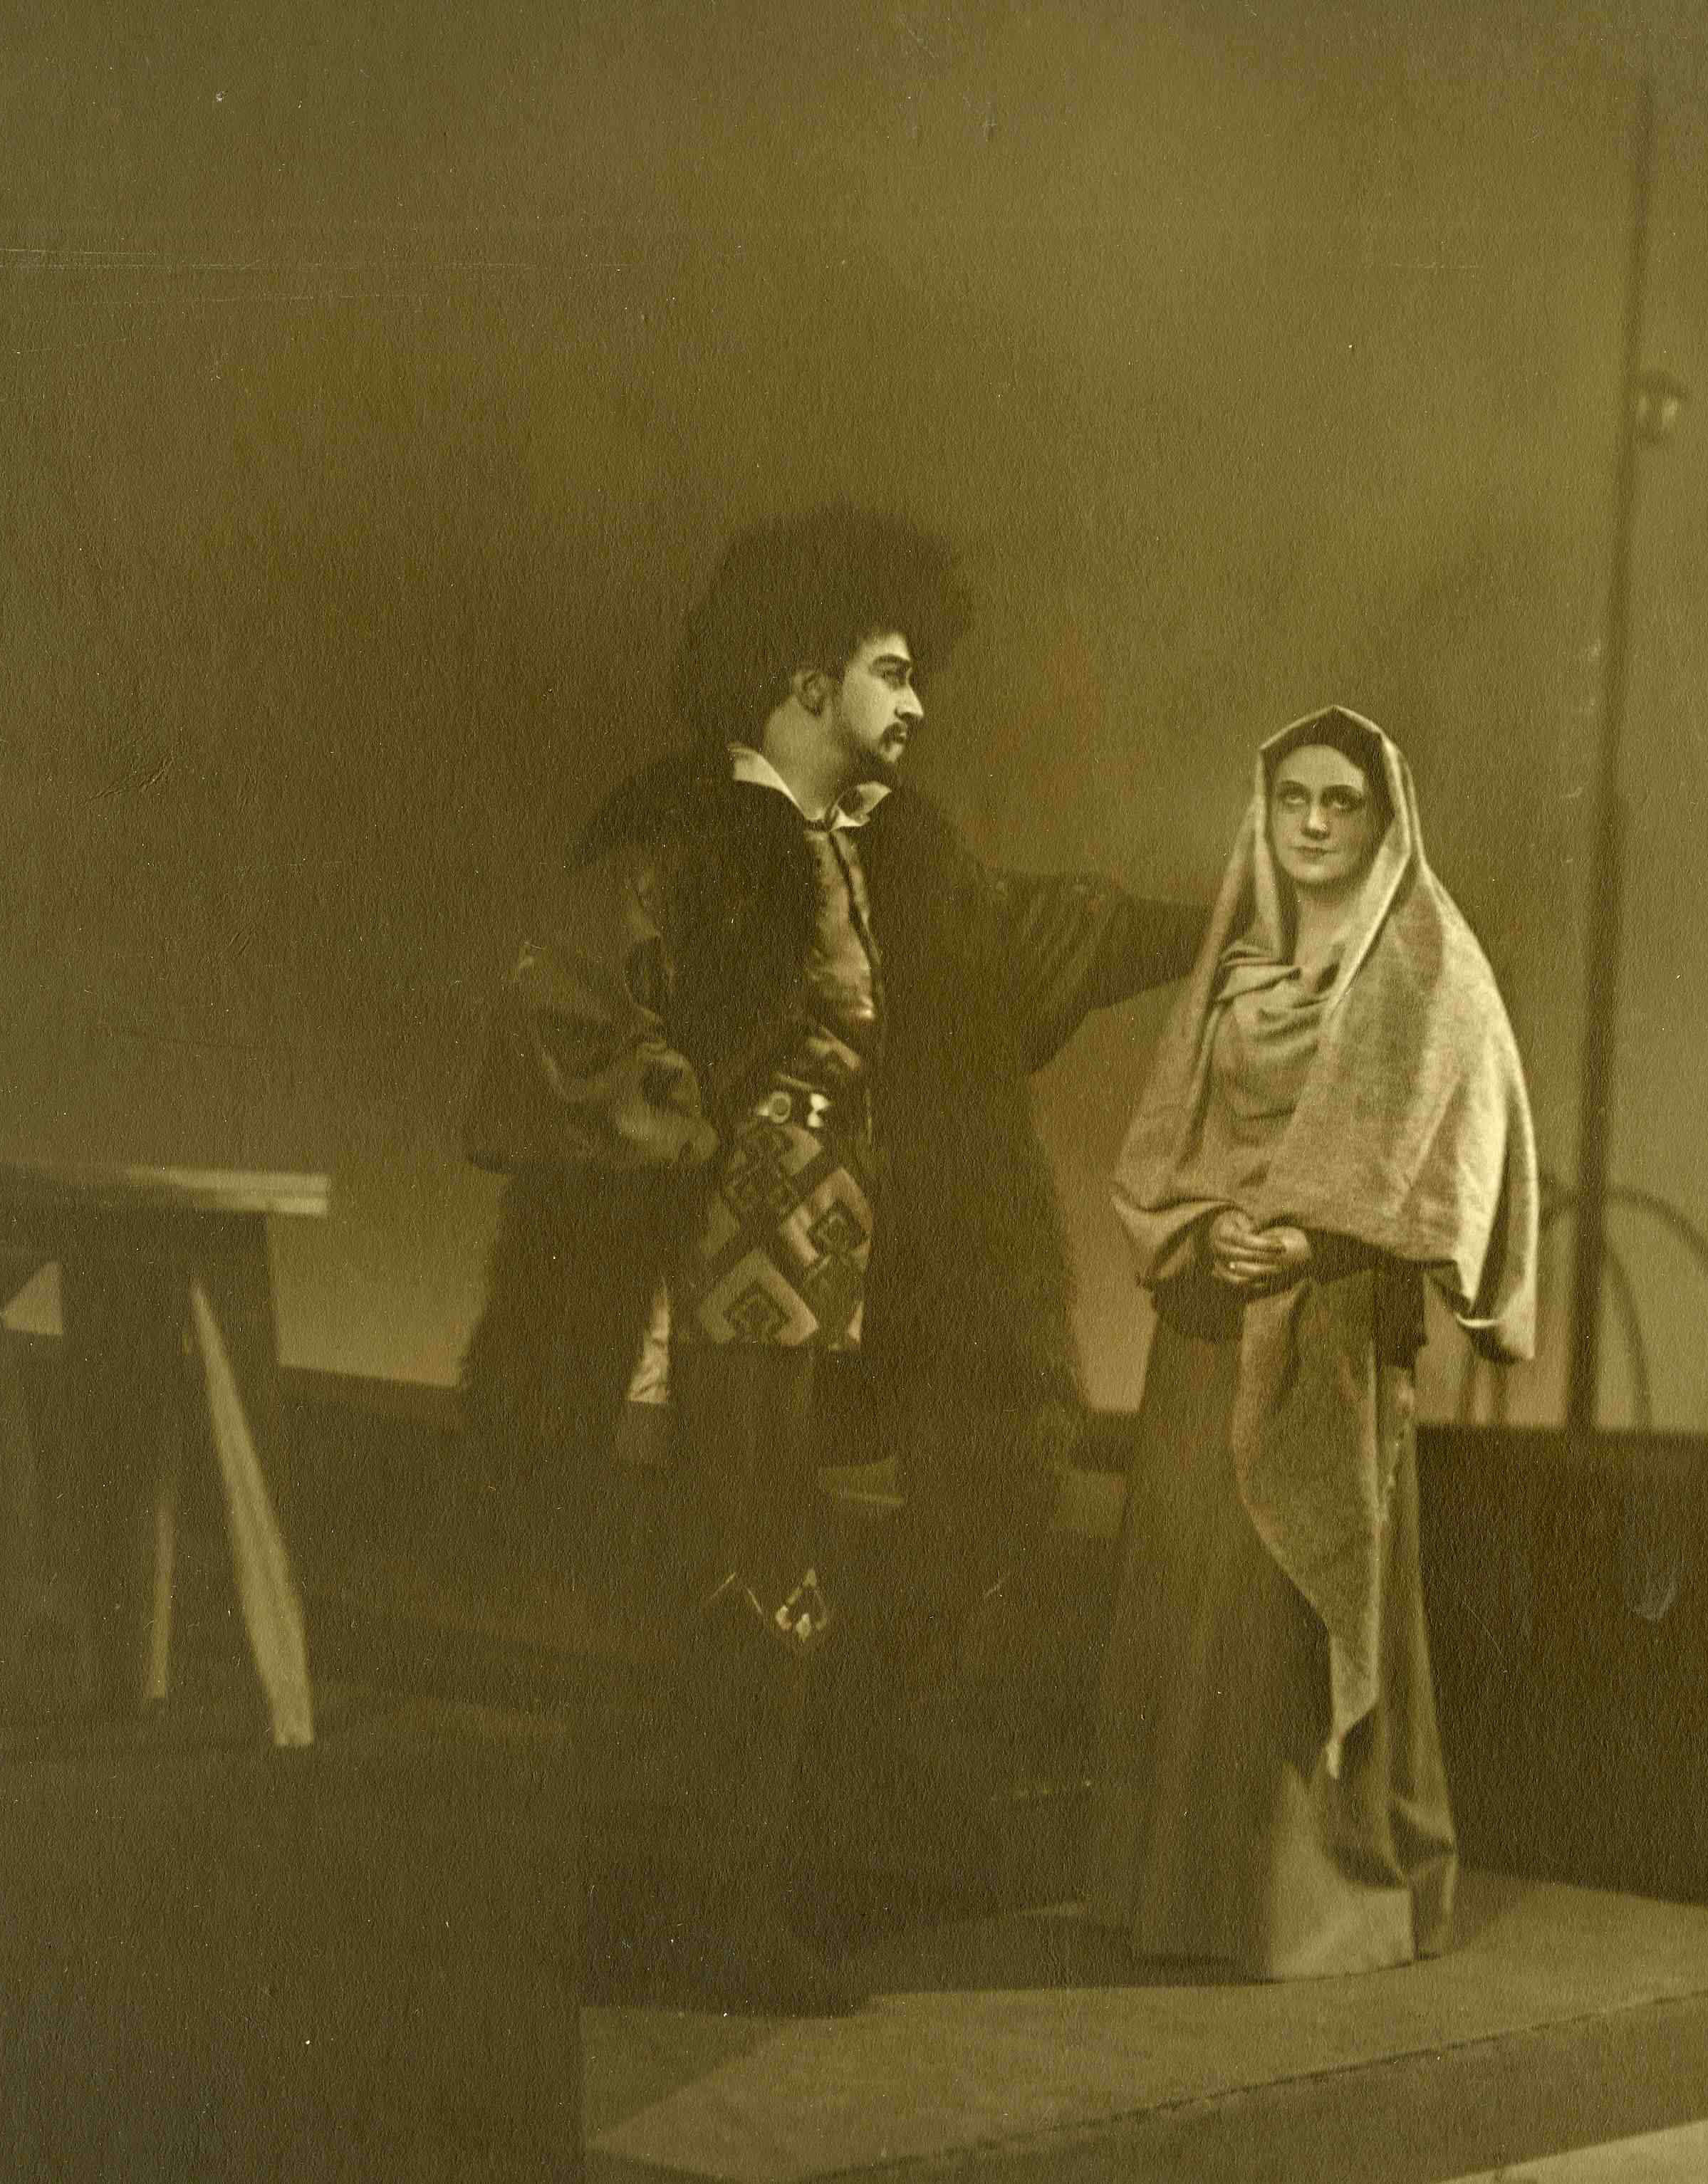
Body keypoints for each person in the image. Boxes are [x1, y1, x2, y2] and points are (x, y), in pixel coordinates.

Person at [461, 506, 1202, 2012]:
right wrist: (675, 1104)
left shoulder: (899, 855)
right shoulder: (674, 844)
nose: (918, 702)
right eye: (893, 668)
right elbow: (570, 1029)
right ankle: (701, 1915)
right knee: (739, 1550)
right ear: (806, 678)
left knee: (910, 1499)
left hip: (851, 1261)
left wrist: (1223, 924)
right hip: (714, 1254)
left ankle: (794, 1869)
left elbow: (1033, 940)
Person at [1096, 704, 1538, 1979]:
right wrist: (1206, 1230)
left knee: (1287, 1609)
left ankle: (1305, 1903)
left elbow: (1460, 1155)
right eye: (1293, 798)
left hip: (1336, 1332)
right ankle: (1180, 1896)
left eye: (1341, 802)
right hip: (1210, 1327)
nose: (1313, 824)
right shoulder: (1238, 966)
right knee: (1196, 1596)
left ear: (1384, 818)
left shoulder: (1429, 969)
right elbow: (1165, 1142)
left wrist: (1319, 1237)